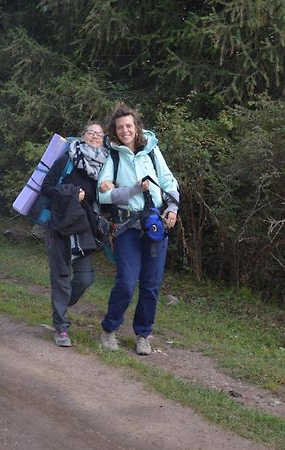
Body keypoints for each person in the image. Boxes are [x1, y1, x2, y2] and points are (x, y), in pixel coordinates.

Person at [98, 104, 179, 355]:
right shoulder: (112, 156)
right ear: (115, 130)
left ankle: (143, 335)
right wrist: (133, 189)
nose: (125, 131)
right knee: (126, 281)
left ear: (137, 127)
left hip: (156, 226)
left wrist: (173, 208)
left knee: (151, 284)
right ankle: (109, 330)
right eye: (120, 127)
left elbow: (168, 181)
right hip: (127, 227)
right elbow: (104, 195)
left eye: (129, 126)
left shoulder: (152, 152)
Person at [41, 122, 109, 347]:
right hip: (59, 225)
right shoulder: (67, 159)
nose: (95, 137)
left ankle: (61, 303)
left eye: (99, 134)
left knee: (85, 278)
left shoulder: (104, 167)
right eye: (91, 133)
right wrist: (71, 194)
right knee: (61, 276)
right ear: (83, 135)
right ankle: (61, 327)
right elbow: (47, 187)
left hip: (83, 228)